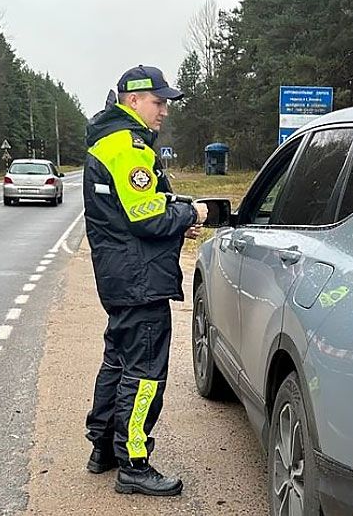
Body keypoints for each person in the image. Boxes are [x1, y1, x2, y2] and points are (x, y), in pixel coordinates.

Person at [82, 65, 208, 497]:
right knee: (146, 373)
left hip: (120, 276)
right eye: (158, 102)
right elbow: (146, 214)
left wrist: (174, 218)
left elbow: (134, 207)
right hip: (140, 280)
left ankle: (103, 447)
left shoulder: (109, 141)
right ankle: (134, 463)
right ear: (132, 100)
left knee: (118, 360)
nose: (165, 111)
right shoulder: (128, 146)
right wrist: (191, 214)